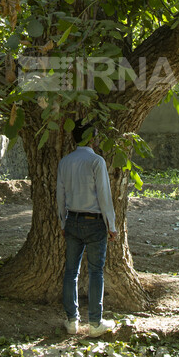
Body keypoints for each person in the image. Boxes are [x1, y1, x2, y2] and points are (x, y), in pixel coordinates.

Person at [56, 121, 117, 337]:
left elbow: (60, 196)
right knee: (95, 271)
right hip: (94, 222)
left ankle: (72, 321)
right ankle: (95, 323)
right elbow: (104, 195)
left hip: (72, 220)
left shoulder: (65, 162)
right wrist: (112, 225)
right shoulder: (96, 161)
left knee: (71, 271)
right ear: (91, 138)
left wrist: (63, 222)